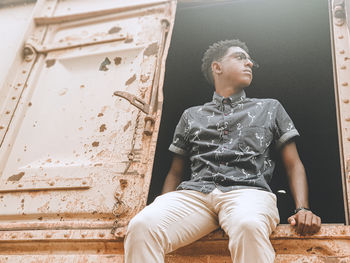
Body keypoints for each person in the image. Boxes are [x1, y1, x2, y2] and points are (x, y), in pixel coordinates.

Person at [124, 39, 321, 263]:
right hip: (195, 195)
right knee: (141, 226)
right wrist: (162, 207)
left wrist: (303, 208)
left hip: (248, 193)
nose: (250, 63)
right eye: (240, 57)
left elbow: (293, 164)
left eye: (250, 60)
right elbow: (175, 172)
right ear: (217, 67)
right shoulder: (191, 115)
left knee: (248, 226)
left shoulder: (270, 107)